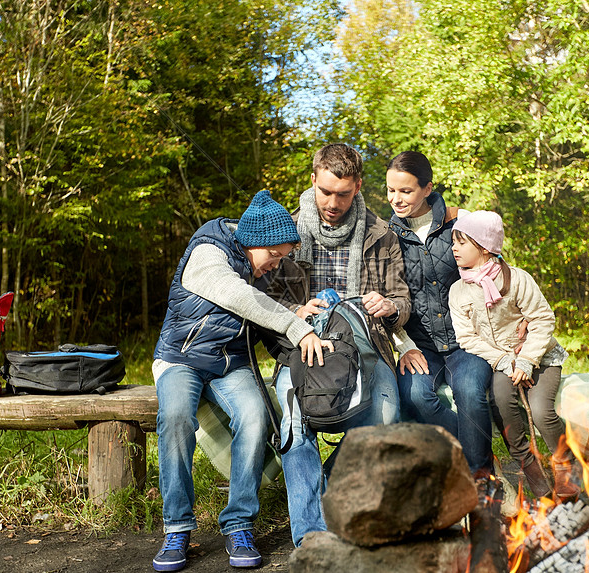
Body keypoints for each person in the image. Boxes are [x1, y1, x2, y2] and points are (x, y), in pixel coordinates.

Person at [151, 190, 332, 572]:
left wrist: (300, 331)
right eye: (275, 255)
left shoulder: (259, 267)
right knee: (177, 418)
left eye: (283, 258)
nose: (277, 264)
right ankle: (178, 528)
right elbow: (239, 297)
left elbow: (265, 321)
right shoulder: (208, 251)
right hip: (181, 357)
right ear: (254, 242)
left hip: (230, 362)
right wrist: (297, 327)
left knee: (254, 417)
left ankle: (238, 523)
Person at [266, 143, 411, 547]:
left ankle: (337, 486)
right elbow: (267, 300)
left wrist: (388, 305)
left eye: (343, 194)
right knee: (295, 428)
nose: (333, 202)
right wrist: (295, 312)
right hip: (301, 350)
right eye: (326, 191)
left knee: (384, 419)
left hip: (366, 348)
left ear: (358, 187)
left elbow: (403, 301)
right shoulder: (286, 230)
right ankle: (311, 538)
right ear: (313, 179)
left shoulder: (381, 234)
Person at [447, 210, 581, 501]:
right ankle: (536, 482)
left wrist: (527, 359)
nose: (454, 248)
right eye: (453, 242)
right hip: (503, 363)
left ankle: (564, 467)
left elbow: (543, 319)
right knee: (502, 405)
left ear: (484, 247)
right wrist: (507, 361)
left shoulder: (517, 280)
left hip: (541, 358)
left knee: (543, 412)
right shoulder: (458, 291)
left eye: (461, 242)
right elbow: (466, 338)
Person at [385, 151, 495, 479]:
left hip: (468, 339)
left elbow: (497, 270)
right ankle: (470, 458)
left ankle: (482, 481)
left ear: (427, 188)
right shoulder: (386, 237)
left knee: (471, 392)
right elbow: (387, 297)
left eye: (405, 191)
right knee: (414, 396)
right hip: (420, 344)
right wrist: (403, 345)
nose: (396, 198)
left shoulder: (462, 222)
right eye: (391, 190)